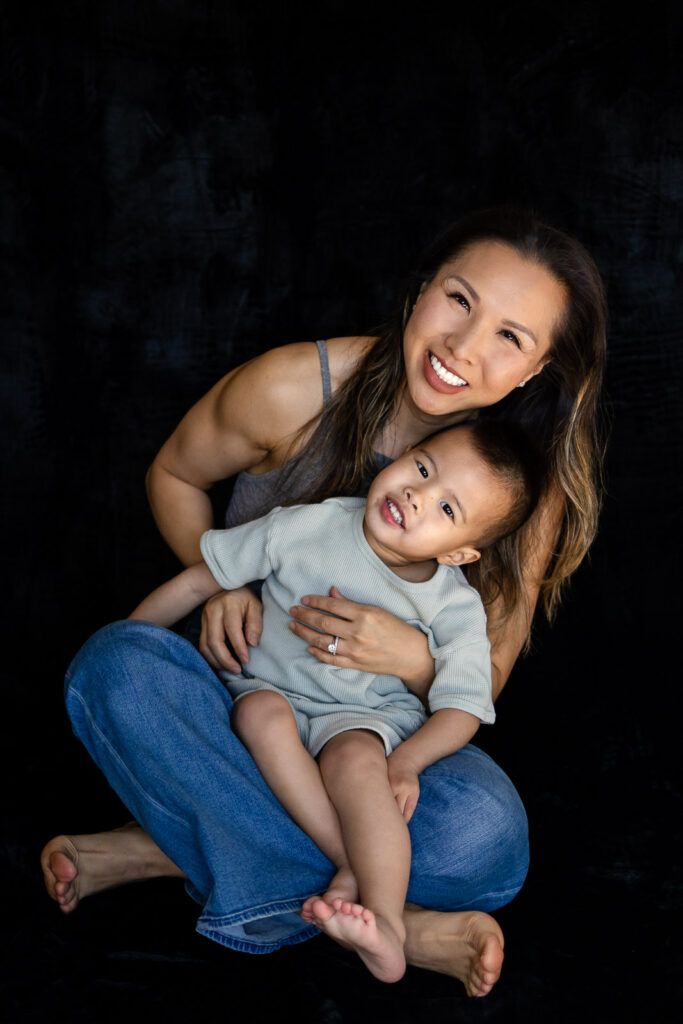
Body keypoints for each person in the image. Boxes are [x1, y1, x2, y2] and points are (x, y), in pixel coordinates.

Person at [42, 205, 607, 998]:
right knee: (114, 669)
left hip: (366, 744)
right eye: (458, 300)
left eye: (509, 337)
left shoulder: (524, 495)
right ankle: (395, 924)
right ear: (418, 293)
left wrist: (406, 657)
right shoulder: (296, 388)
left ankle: (162, 849)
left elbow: (487, 674)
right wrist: (231, 583)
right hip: (242, 695)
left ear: (537, 370)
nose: (461, 347)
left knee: (489, 834)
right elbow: (172, 475)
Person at [128, 420, 541, 982]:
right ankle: (351, 865)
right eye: (421, 469)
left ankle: (388, 923)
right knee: (257, 715)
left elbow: (464, 706)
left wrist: (408, 762)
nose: (417, 497)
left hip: (361, 717)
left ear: (460, 554)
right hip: (266, 690)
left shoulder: (452, 606)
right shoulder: (311, 523)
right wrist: (130, 642)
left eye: (447, 510)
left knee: (357, 761)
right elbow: (203, 583)